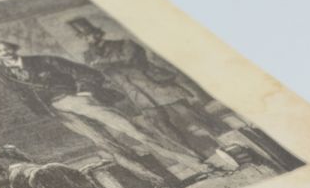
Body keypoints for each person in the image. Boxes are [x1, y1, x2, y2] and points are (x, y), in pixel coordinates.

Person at [0, 40, 212, 188]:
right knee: (107, 146)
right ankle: (158, 183)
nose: (1, 54)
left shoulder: (44, 60)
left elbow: (86, 72)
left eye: (3, 49)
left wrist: (84, 91)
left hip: (77, 101)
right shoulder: (0, 70)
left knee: (136, 132)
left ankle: (197, 164)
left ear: (12, 48)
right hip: (56, 111)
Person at [68, 17, 223, 160]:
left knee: (188, 113)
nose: (87, 39)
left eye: (88, 35)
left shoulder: (124, 44)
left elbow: (130, 60)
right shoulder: (89, 56)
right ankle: (194, 155)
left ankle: (225, 140)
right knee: (161, 125)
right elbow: (96, 72)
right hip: (135, 94)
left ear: (97, 33)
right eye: (83, 37)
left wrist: (103, 63)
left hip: (155, 85)